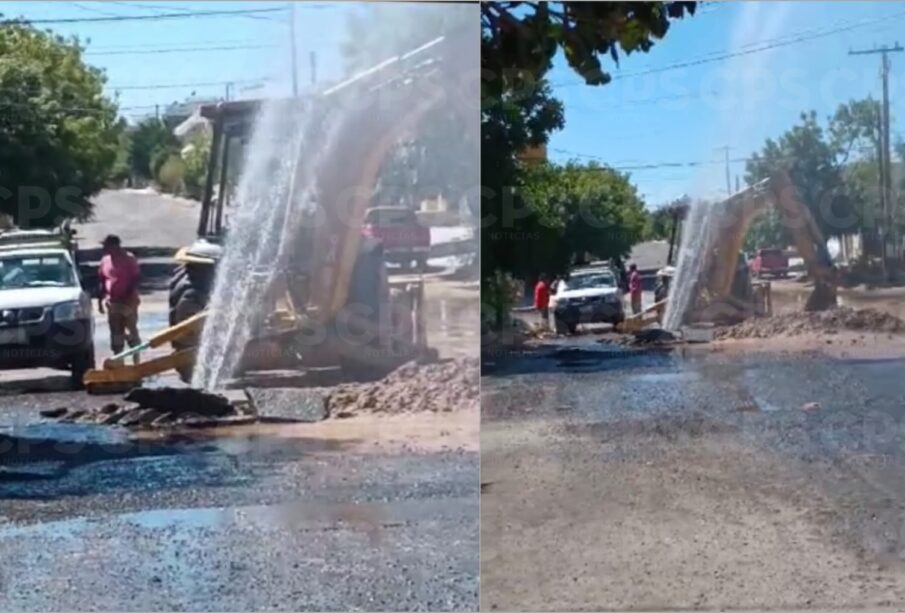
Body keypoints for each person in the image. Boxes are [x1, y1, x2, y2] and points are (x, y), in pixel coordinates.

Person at [97, 234, 142, 363]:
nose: (105, 248)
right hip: (112, 301)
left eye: (107, 246)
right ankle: (119, 360)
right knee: (116, 331)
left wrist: (127, 292)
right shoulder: (105, 260)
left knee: (131, 329)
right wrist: (100, 299)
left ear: (115, 245)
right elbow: (102, 279)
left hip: (128, 300)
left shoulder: (129, 258)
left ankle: (136, 360)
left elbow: (136, 277)